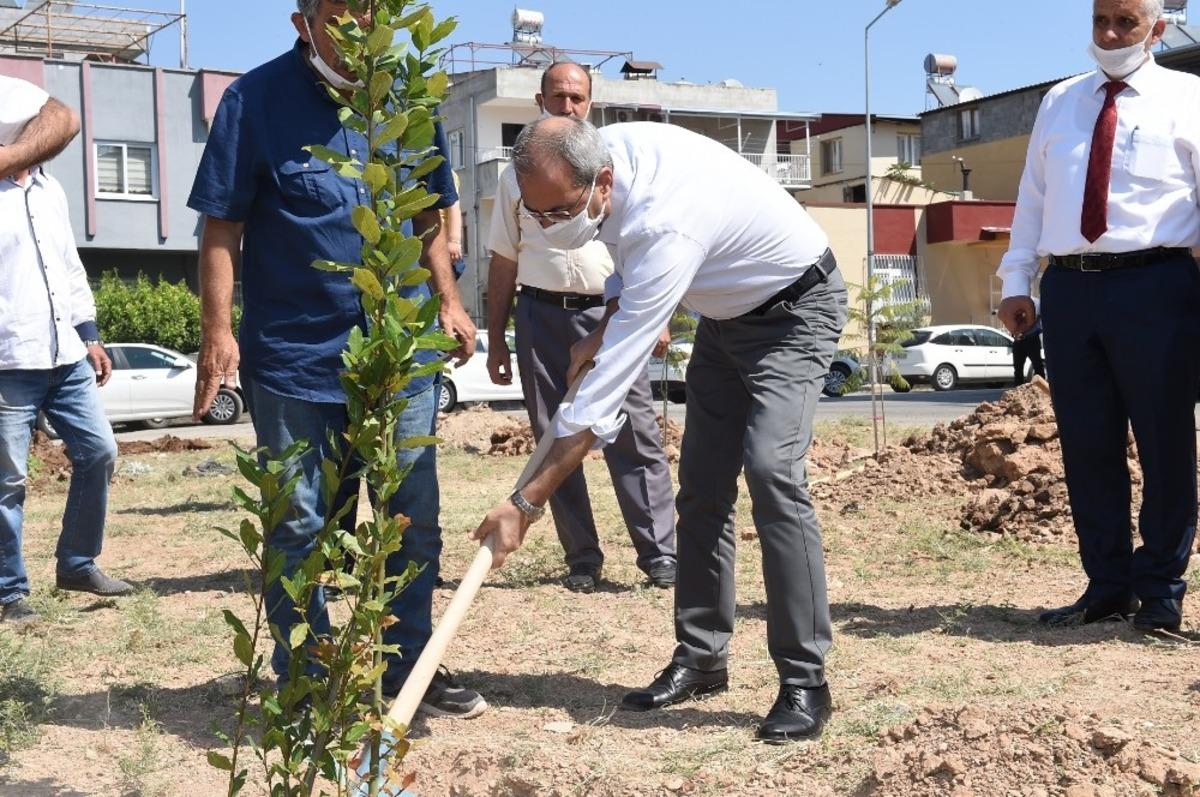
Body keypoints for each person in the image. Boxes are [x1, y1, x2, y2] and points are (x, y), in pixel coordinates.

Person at [473, 117, 847, 743]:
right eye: (535, 216)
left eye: (560, 212)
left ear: (603, 183)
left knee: (771, 470)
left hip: (795, 309)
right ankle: (701, 658)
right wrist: (598, 332)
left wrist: (524, 504)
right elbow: (627, 276)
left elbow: (600, 402)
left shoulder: (664, 220)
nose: (548, 227)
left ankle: (806, 682)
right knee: (701, 486)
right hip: (724, 317)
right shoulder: (595, 155)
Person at [187, 0, 485, 717]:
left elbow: (424, 213)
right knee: (300, 523)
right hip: (295, 355)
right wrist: (216, 333)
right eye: (341, 17)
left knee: (411, 514)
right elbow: (221, 224)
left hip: (399, 348)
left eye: (369, 14)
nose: (357, 32)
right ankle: (308, 676)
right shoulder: (253, 102)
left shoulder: (407, 98)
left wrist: (447, 299)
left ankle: (404, 664)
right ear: (304, 24)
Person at [997, 0, 1198, 634]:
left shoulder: (1188, 97)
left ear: (1156, 30)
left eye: (1126, 23)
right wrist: (1015, 278)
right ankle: (1106, 585)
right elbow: (1033, 196)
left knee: (1165, 442)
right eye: (1099, 21)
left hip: (1157, 286)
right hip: (1072, 293)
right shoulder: (1060, 101)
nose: (1109, 35)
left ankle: (1161, 587)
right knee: (1088, 445)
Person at [486, 62, 677, 593]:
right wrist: (497, 337)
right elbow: (503, 259)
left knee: (635, 433)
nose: (567, 106)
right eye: (557, 96)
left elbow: (649, 250)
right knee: (554, 435)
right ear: (539, 100)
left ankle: (660, 553)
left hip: (611, 313)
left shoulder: (612, 170)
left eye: (577, 98)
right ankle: (582, 558)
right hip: (541, 314)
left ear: (589, 103)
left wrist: (650, 317)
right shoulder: (514, 179)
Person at [0, 76, 130, 630]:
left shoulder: (49, 189)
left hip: (64, 353)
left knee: (99, 453)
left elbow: (67, 267)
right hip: (8, 360)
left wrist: (90, 332)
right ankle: (8, 591)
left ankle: (76, 563)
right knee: (6, 481)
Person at [1010, 298, 1045, 385]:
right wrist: (1014, 332)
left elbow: (1035, 319)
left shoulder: (1036, 302)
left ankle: (1041, 390)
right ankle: (1018, 391)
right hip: (1018, 339)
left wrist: (1022, 331)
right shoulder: (1013, 302)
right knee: (1018, 368)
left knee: (1037, 366)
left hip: (1031, 338)